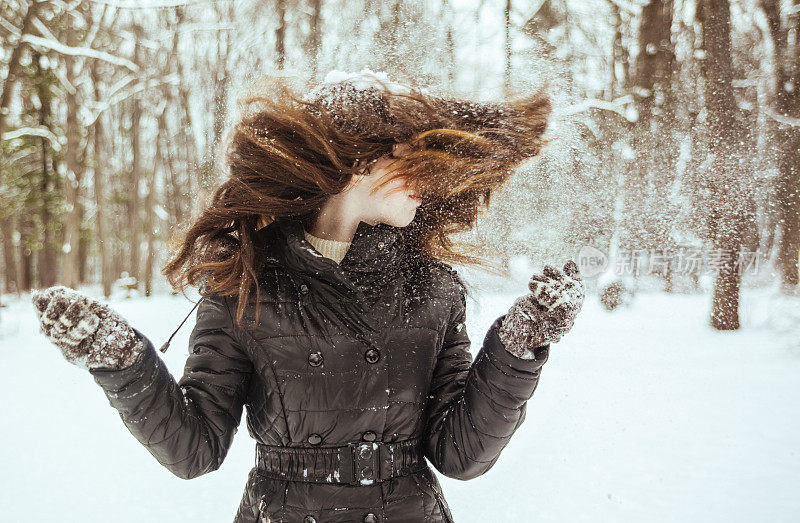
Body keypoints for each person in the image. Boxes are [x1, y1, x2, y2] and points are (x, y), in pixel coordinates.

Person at [31, 70, 585, 523]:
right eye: (407, 157)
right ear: (358, 162)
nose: (424, 176)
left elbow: (460, 454)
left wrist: (520, 345)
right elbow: (194, 449)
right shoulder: (245, 287)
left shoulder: (431, 288)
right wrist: (120, 358)